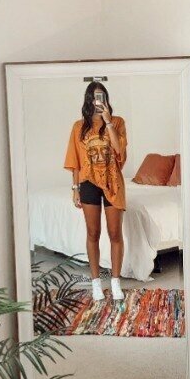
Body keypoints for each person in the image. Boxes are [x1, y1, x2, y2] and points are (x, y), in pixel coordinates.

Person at [64, 81, 127, 301]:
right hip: (88, 182)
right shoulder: (78, 127)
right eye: (93, 97)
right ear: (88, 100)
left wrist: (108, 121)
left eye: (101, 96)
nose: (97, 101)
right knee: (93, 233)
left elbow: (119, 150)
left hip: (113, 182)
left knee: (115, 233)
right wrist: (75, 188)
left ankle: (116, 282)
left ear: (106, 99)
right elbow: (74, 160)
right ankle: (96, 283)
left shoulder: (118, 122)